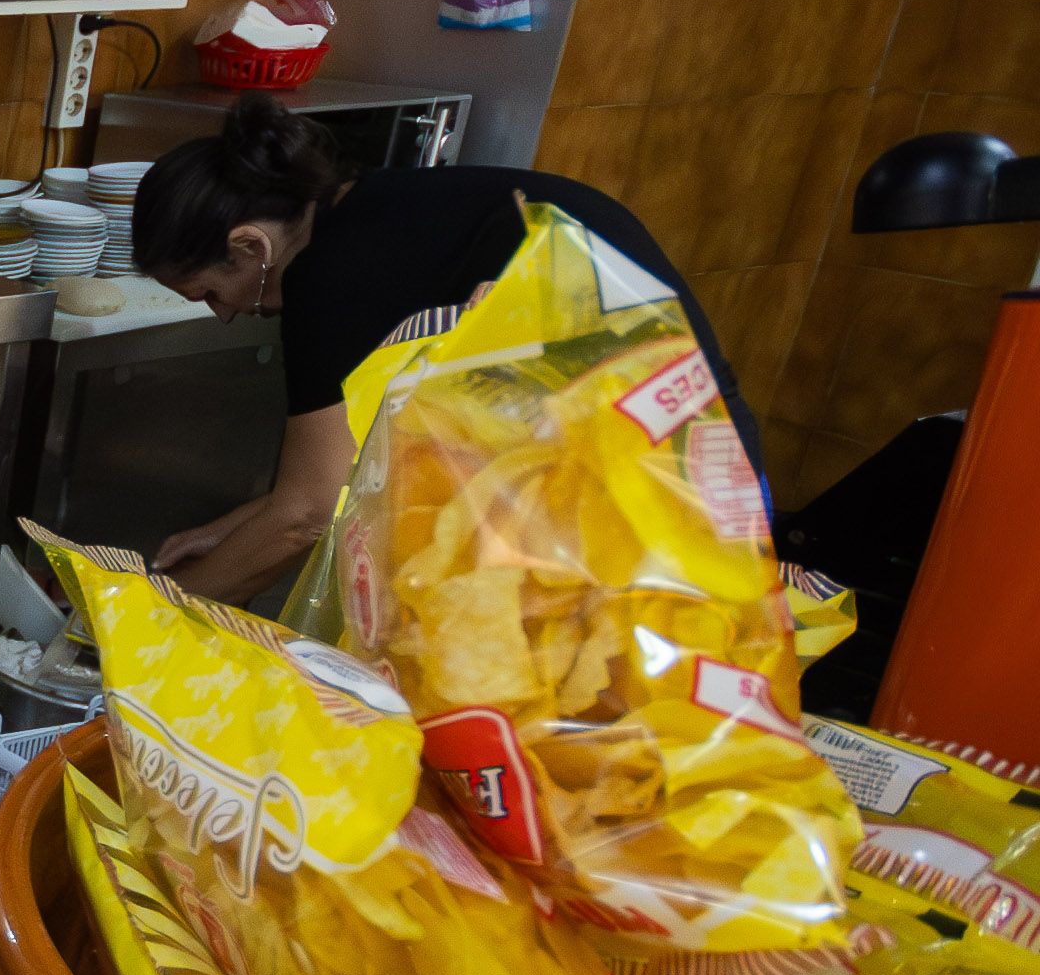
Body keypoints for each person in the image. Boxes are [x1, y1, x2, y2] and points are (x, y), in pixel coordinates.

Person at [134, 94, 763, 605]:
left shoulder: (327, 277)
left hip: (653, 501)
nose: (225, 316)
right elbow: (344, 469)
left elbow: (309, 515)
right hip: (706, 458)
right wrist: (236, 531)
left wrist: (150, 612)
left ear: (251, 246)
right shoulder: (384, 215)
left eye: (212, 293)